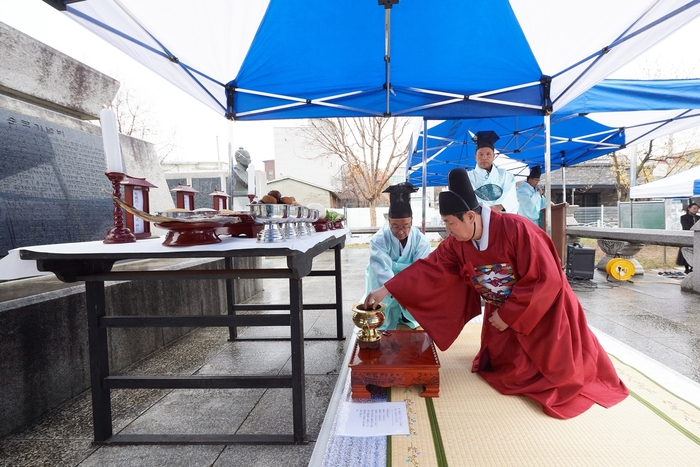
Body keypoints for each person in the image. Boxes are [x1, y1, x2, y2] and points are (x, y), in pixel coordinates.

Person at [364, 168, 628, 419]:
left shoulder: (517, 229)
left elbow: (545, 279)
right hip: (500, 311)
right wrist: (386, 288)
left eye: (449, 223)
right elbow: (429, 268)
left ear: (470, 216)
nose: (448, 230)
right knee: (504, 370)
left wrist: (510, 314)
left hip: (541, 310)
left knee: (555, 377)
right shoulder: (457, 243)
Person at [363, 182, 432, 330]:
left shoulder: (421, 241)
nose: (401, 231)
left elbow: (419, 270)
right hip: (383, 282)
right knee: (382, 315)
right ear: (388, 222)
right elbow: (381, 270)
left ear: (412, 222)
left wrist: (404, 293)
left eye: (406, 226)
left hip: (410, 281)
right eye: (395, 226)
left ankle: (407, 317)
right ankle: (383, 319)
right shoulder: (379, 240)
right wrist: (394, 290)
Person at [467, 130, 519, 213]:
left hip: (502, 217)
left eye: (488, 154)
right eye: (480, 154)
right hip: (478, 219)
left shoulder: (505, 175)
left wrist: (499, 206)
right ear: (475, 157)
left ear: (493, 156)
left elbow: (511, 195)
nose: (484, 157)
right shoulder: (467, 177)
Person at [676, 202, 699, 274]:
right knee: (685, 250)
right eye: (694, 208)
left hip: (697, 237)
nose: (696, 210)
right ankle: (686, 267)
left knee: (696, 251)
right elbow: (685, 227)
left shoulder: (698, 218)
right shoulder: (684, 217)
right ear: (689, 209)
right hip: (687, 236)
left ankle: (693, 267)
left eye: (697, 209)